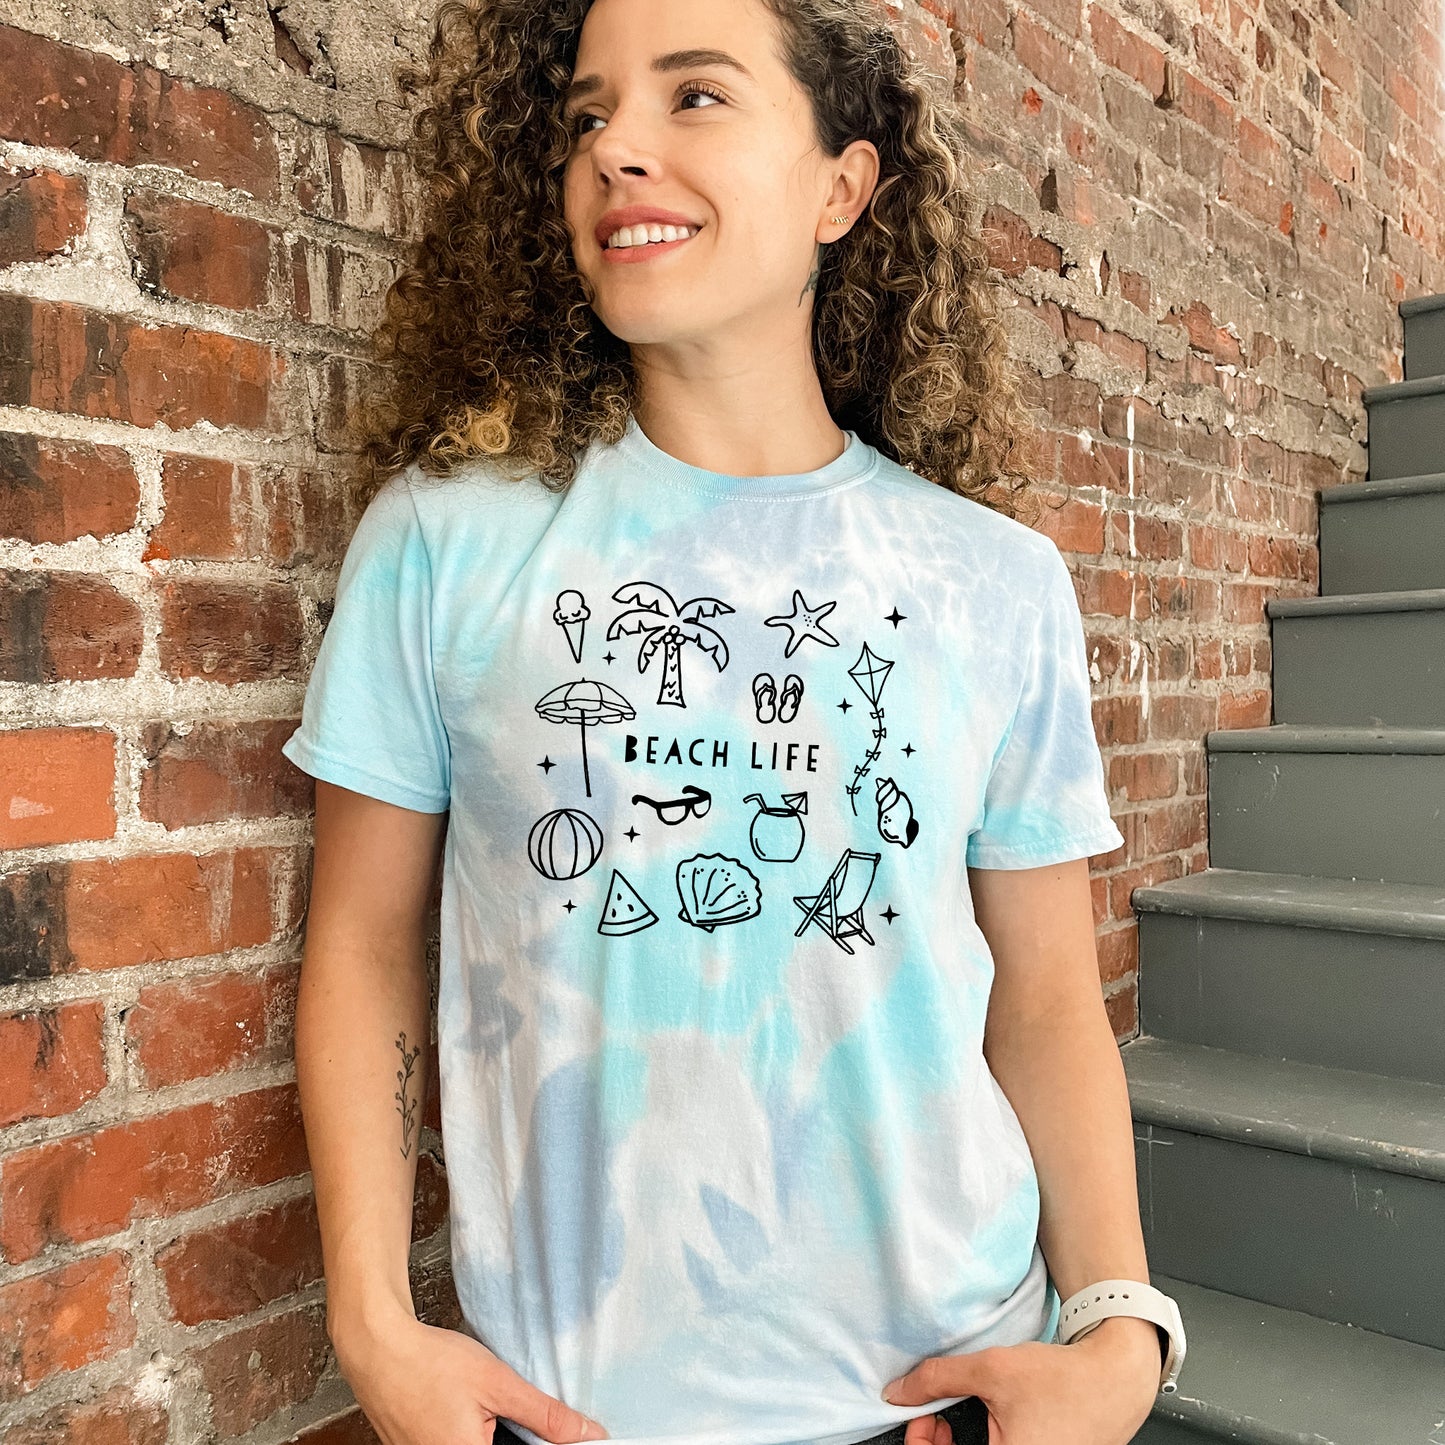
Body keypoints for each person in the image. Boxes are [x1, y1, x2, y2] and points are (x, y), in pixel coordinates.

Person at [282, 1, 1172, 1443]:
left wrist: (1119, 1328)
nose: (615, 149)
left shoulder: (994, 580)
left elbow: (1047, 1000)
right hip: (572, 1413)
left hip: (950, 1401)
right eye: (585, 117)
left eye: (694, 98)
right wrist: (374, 1323)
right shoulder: (446, 541)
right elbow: (367, 945)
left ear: (841, 186)